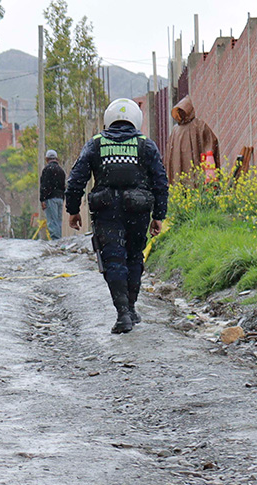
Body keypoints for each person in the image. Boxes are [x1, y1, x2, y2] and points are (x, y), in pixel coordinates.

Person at [65, 98, 169, 334]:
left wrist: (73, 210)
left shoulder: (95, 144)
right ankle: (130, 308)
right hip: (138, 212)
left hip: (106, 211)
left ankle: (123, 312)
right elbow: (160, 182)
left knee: (113, 260)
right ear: (136, 119)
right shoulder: (146, 145)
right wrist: (158, 216)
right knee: (134, 258)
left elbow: (76, 180)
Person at [166, 96, 220, 184]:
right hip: (185, 175)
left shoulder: (198, 126)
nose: (181, 114)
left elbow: (211, 143)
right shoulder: (175, 132)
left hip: (193, 173)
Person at [39, 149, 66, 240]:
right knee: (58, 221)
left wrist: (42, 199)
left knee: (52, 221)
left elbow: (44, 186)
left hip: (50, 198)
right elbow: (63, 186)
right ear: (56, 158)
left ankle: (55, 241)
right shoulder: (61, 170)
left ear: (47, 159)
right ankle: (59, 240)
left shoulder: (47, 170)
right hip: (60, 198)